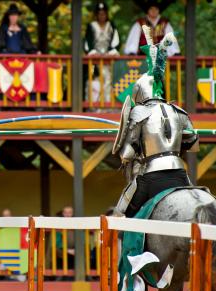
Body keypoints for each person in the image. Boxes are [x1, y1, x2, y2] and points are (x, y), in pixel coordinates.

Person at [114, 27, 198, 218]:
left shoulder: (139, 113)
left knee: (120, 216)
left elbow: (126, 155)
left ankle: (129, 248)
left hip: (151, 177)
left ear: (139, 94)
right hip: (180, 175)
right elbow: (194, 144)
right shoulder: (178, 111)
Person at [84, 2, 120, 103]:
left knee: (109, 81)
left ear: (106, 14)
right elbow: (87, 42)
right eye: (99, 13)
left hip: (109, 59)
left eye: (103, 13)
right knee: (93, 81)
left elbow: (116, 41)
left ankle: (108, 104)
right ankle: (93, 105)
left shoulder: (111, 25)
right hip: (94, 60)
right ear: (96, 15)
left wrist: (110, 52)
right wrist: (93, 52)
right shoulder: (91, 26)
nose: (102, 16)